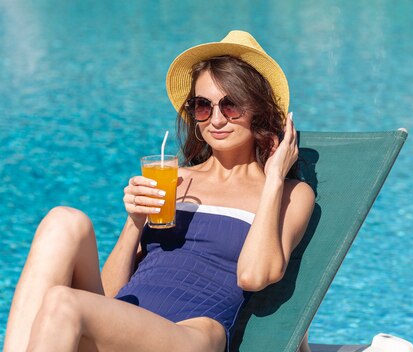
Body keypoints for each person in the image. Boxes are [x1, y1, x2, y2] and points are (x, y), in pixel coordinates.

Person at [3, 30, 315, 352]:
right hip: (126, 324)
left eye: (232, 105)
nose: (217, 119)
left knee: (62, 300)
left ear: (259, 110)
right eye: (203, 106)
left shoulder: (288, 192)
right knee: (63, 220)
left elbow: (253, 276)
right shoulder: (174, 179)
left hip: (190, 333)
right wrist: (135, 223)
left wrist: (274, 177)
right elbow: (111, 296)